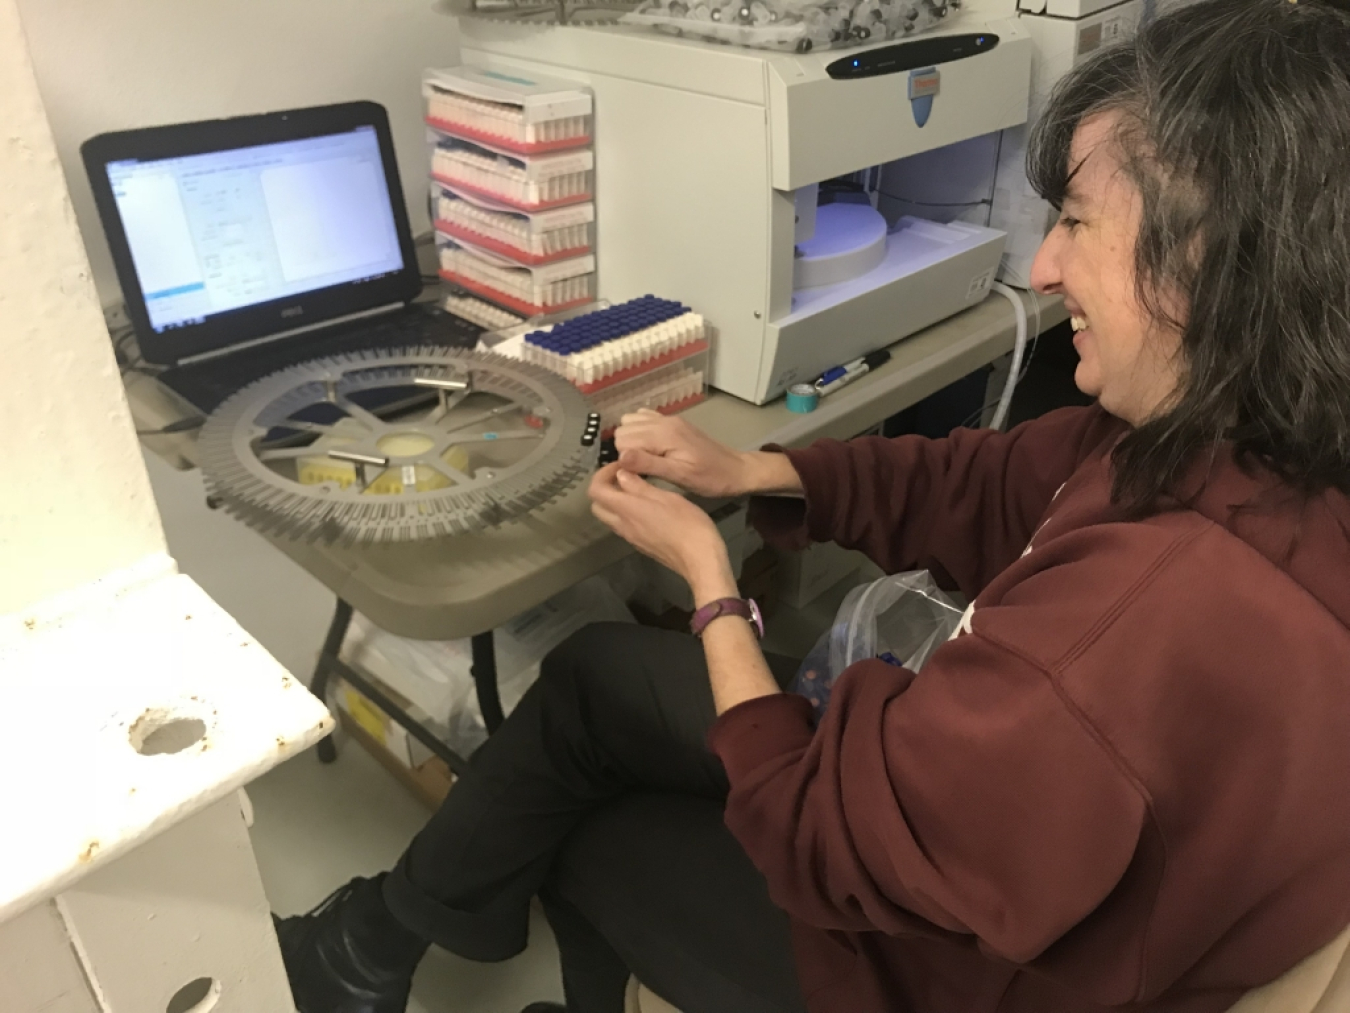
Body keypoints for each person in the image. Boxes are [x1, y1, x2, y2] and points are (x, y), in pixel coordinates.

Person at [274, 0, 1350, 1010]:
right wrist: (758, 475)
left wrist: (710, 583)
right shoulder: (1224, 436)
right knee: (596, 675)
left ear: (1228, 261)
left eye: (1074, 219)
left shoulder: (1147, 620)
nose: (1046, 263)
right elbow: (978, 481)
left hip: (913, 968)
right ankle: (370, 949)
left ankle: (387, 949)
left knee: (589, 828)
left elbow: (820, 839)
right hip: (956, 818)